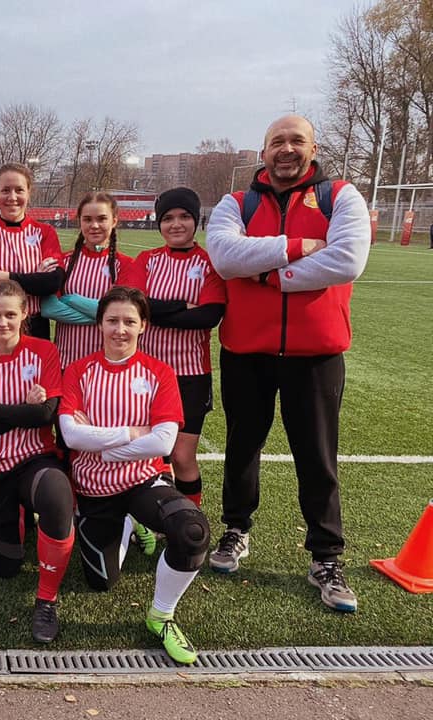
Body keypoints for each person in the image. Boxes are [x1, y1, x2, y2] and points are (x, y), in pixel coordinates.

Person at [205, 114, 370, 612]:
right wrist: (297, 249)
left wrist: (271, 275)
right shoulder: (237, 202)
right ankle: (236, 529)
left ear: (313, 149)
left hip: (316, 355)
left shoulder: (340, 196)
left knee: (317, 458)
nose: (286, 148)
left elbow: (347, 260)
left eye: (297, 140)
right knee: (242, 448)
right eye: (277, 141)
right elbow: (225, 257)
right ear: (263, 152)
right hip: (246, 353)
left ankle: (326, 556)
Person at [59, 286, 210, 665]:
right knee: (101, 582)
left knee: (191, 531)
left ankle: (161, 616)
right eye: (112, 320)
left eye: (129, 321)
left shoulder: (160, 373)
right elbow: (71, 436)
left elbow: (163, 443)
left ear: (143, 325)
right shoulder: (78, 371)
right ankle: (130, 524)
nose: (120, 329)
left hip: (144, 481)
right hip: (94, 488)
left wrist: (101, 444)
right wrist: (132, 432)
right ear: (99, 324)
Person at [0, 280, 75, 643]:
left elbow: (45, 415)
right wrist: (24, 409)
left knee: (56, 493)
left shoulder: (44, 351)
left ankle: (46, 599)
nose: (3, 322)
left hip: (33, 458)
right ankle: (18, 517)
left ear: (25, 313)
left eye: (10, 314)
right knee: (5, 567)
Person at [120, 188, 225, 507]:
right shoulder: (147, 260)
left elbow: (208, 316)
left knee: (182, 456)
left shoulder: (209, 263)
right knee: (150, 452)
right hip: (146, 374)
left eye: (184, 217)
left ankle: (189, 519)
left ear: (196, 220)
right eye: (167, 218)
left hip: (191, 376)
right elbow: (133, 306)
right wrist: (182, 305)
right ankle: (152, 517)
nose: (176, 224)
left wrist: (155, 310)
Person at [0, 163, 64, 349]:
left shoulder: (45, 232)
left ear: (29, 193)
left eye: (19, 190)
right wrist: (33, 280)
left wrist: (5, 277)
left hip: (34, 324)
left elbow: (52, 282)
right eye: (5, 190)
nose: (12, 197)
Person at [41, 192, 134, 370]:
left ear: (114, 221)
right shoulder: (63, 262)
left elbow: (122, 314)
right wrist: (106, 318)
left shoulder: (126, 265)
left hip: (108, 366)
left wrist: (71, 299)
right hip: (66, 363)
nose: (94, 225)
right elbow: (49, 308)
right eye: (87, 219)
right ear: (80, 221)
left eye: (102, 219)